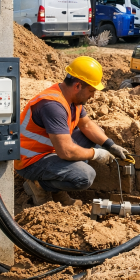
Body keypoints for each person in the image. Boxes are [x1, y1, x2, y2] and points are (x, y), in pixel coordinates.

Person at [16, 56, 131, 206]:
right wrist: (96, 154)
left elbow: (87, 125)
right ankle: (39, 185)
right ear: (77, 86)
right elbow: (66, 152)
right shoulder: (52, 106)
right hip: (30, 160)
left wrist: (110, 145)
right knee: (85, 176)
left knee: (95, 137)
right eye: (91, 90)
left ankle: (57, 192)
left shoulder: (72, 99)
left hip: (51, 150)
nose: (93, 96)